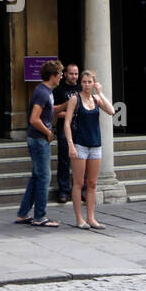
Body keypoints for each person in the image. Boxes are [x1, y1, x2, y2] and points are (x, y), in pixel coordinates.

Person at [62, 70, 117, 229]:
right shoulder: (75, 99)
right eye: (84, 82)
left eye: (89, 82)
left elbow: (111, 111)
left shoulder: (96, 98)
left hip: (95, 145)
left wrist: (101, 92)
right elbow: (67, 123)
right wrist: (70, 144)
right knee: (78, 183)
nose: (87, 85)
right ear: (81, 83)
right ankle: (79, 219)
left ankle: (91, 218)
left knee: (92, 183)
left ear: (94, 83)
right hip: (80, 144)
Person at [16, 60, 62, 227]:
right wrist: (48, 132)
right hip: (39, 139)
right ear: (52, 76)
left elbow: (49, 110)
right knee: (44, 177)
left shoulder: (44, 91)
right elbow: (34, 119)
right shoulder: (43, 92)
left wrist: (67, 106)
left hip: (37, 139)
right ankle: (39, 216)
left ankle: (23, 213)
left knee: (37, 177)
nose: (61, 78)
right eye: (60, 75)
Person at [53, 63, 81, 204]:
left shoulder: (81, 88)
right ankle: (63, 190)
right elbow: (55, 112)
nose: (74, 76)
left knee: (80, 160)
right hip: (64, 128)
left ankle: (81, 190)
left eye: (76, 74)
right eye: (71, 73)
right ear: (65, 74)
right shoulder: (58, 90)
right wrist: (72, 114)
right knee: (64, 159)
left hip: (80, 128)